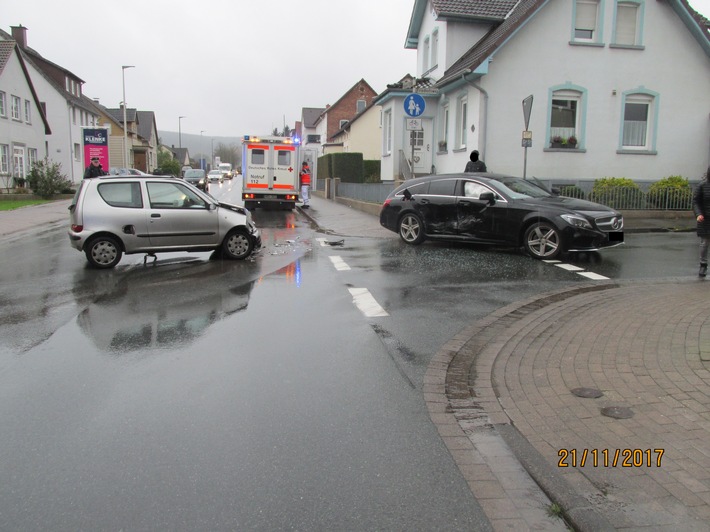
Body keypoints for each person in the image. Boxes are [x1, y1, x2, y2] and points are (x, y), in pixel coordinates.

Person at [693, 166, 710, 277]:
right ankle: (703, 265)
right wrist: (698, 214)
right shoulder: (703, 185)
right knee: (705, 243)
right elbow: (695, 202)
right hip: (706, 219)